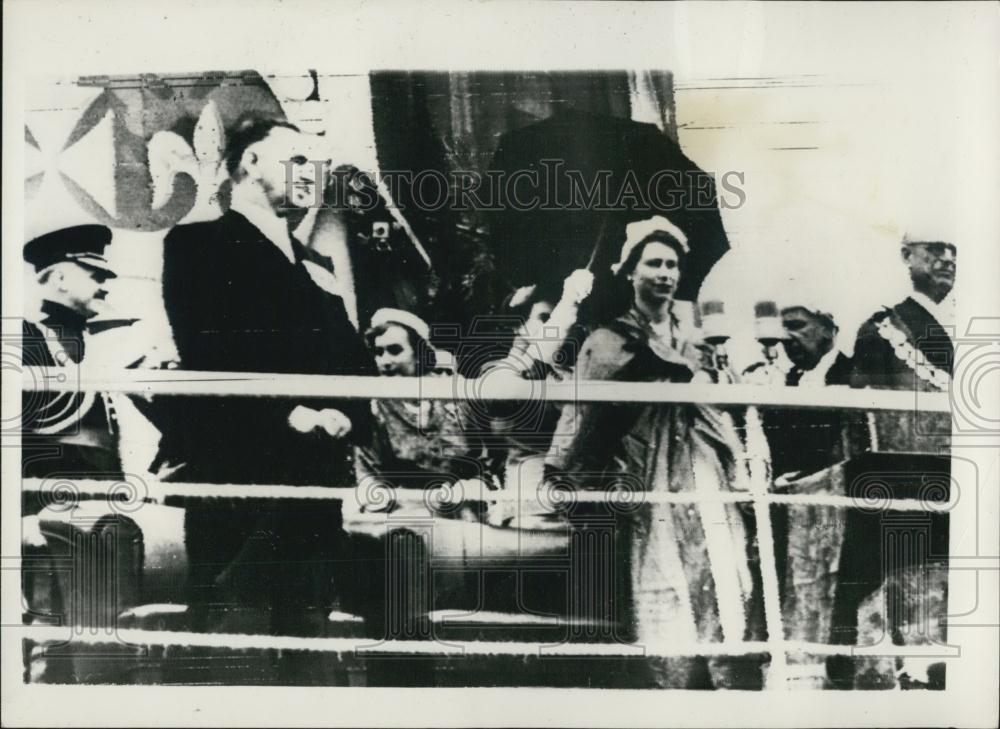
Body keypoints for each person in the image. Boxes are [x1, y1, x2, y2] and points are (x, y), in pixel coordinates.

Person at [151, 116, 376, 639]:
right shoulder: (198, 244)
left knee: (307, 633)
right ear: (250, 163)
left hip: (315, 476)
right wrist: (289, 413)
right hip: (238, 472)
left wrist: (344, 412)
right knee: (235, 633)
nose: (311, 175)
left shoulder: (315, 262)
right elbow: (207, 351)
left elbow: (353, 359)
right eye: (298, 161)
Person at [545, 216, 759, 689]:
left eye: (673, 264)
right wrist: (564, 468)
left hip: (702, 457)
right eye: (655, 262)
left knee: (720, 558)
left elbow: (727, 382)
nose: (666, 272)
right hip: (648, 463)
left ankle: (727, 668)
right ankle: (673, 674)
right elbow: (585, 405)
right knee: (662, 566)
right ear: (631, 272)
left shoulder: (701, 326)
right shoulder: (611, 336)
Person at [844, 232, 955, 689]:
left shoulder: (971, 324)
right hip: (907, 479)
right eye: (935, 249)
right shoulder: (883, 329)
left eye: (953, 250)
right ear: (907, 256)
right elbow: (865, 415)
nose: (947, 258)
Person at [481, 268, 593, 526]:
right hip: (528, 509)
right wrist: (565, 309)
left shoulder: (576, 374)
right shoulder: (499, 371)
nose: (563, 328)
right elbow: (526, 376)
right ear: (520, 327)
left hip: (579, 502)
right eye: (544, 318)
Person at [21, 225, 121, 485]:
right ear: (59, 279)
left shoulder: (94, 341)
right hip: (46, 502)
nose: (105, 286)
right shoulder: (27, 339)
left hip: (100, 497)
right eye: (96, 276)